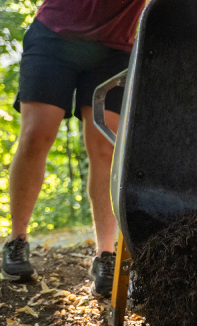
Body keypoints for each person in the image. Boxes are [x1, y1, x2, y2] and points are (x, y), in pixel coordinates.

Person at [2, 0, 146, 297]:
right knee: (35, 135)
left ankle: (105, 255)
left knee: (107, 148)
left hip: (116, 47)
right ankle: (16, 240)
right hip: (55, 36)